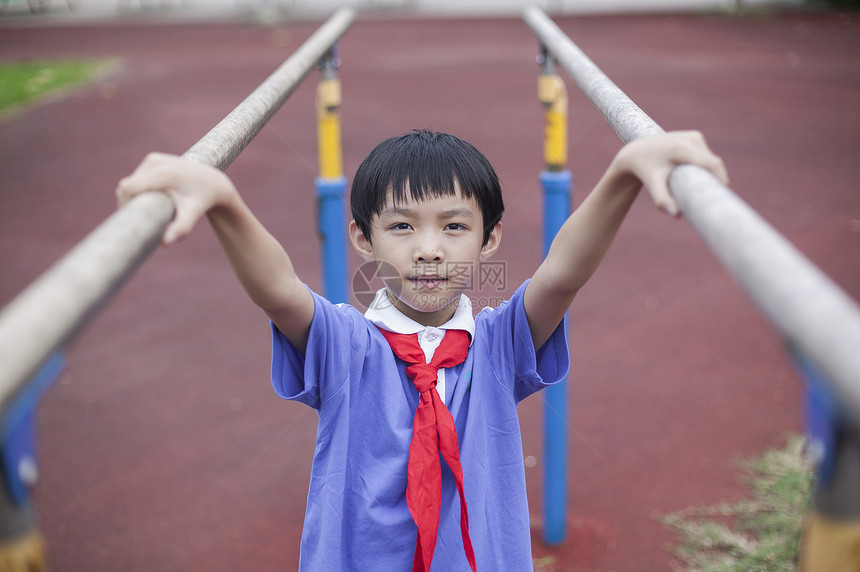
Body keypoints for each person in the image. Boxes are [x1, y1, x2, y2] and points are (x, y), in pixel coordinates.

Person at [116, 128, 728, 571]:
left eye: (454, 226)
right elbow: (278, 290)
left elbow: (561, 275)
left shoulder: (496, 344)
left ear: (490, 241)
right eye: (402, 226)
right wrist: (223, 200)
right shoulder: (347, 345)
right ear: (362, 237)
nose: (429, 248)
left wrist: (624, 171)